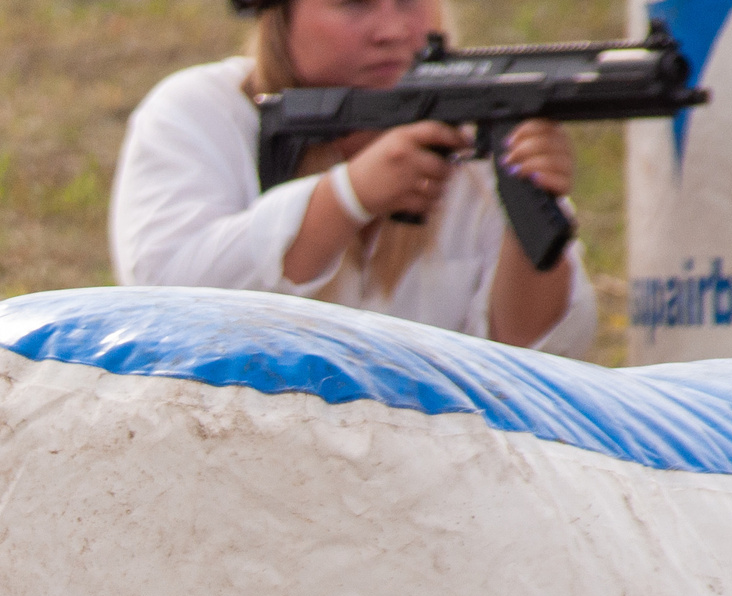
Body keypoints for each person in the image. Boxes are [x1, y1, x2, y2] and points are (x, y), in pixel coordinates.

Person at [109, 0, 595, 354]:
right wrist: (348, 197)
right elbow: (168, 294)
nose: (390, 29)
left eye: (409, 1)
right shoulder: (201, 112)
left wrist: (529, 202)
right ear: (279, 15)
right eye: (354, 3)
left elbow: (535, 359)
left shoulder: (477, 130)